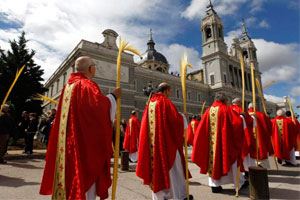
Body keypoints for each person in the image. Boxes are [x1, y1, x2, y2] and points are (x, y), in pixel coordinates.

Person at [40, 56, 122, 200]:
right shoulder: (86, 85)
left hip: (66, 146)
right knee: (83, 183)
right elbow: (98, 108)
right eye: (94, 66)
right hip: (82, 147)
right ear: (91, 69)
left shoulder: (68, 87)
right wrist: (113, 96)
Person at [136, 82, 192, 200]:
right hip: (167, 145)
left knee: (156, 170)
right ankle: (180, 196)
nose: (170, 94)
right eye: (170, 91)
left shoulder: (150, 104)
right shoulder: (165, 102)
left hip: (153, 146)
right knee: (175, 170)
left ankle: (160, 197)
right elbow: (174, 120)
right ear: (166, 91)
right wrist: (184, 117)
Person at [192, 93, 246, 193]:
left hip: (211, 145)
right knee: (227, 159)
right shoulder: (226, 109)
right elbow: (236, 124)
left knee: (212, 162)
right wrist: (242, 117)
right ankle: (237, 182)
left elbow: (201, 129)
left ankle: (215, 185)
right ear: (224, 101)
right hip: (223, 143)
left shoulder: (208, 110)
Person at [229, 98, 256, 179]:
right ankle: (247, 170)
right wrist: (253, 117)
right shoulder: (241, 110)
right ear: (238, 102)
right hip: (242, 136)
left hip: (231, 137)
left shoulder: (228, 109)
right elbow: (250, 122)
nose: (241, 103)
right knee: (246, 155)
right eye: (240, 102)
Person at [248, 103, 274, 168]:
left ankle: (249, 167)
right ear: (256, 107)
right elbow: (269, 127)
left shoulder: (245, 115)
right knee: (260, 150)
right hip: (260, 139)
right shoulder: (261, 115)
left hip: (248, 138)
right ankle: (260, 165)